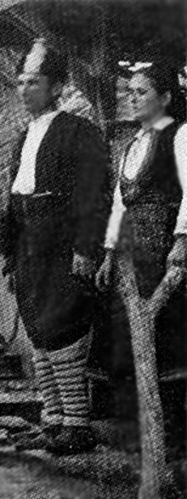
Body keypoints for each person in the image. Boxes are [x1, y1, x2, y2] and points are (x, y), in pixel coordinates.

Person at [0, 39, 111, 456]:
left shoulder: (80, 132)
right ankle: (54, 419)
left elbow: (93, 194)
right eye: (21, 82)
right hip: (29, 244)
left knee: (64, 324)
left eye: (35, 81)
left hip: (63, 242)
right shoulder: (21, 137)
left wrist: (86, 247)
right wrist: (10, 255)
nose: (25, 89)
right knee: (38, 329)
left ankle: (78, 424)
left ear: (57, 86)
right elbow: (12, 199)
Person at [96, 62, 187, 462]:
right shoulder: (131, 145)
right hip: (132, 258)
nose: (132, 98)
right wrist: (109, 253)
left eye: (142, 91)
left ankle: (177, 441)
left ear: (165, 97)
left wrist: (182, 241)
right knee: (132, 341)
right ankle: (147, 437)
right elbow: (119, 203)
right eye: (128, 91)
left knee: (170, 340)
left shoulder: (179, 136)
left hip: (164, 249)